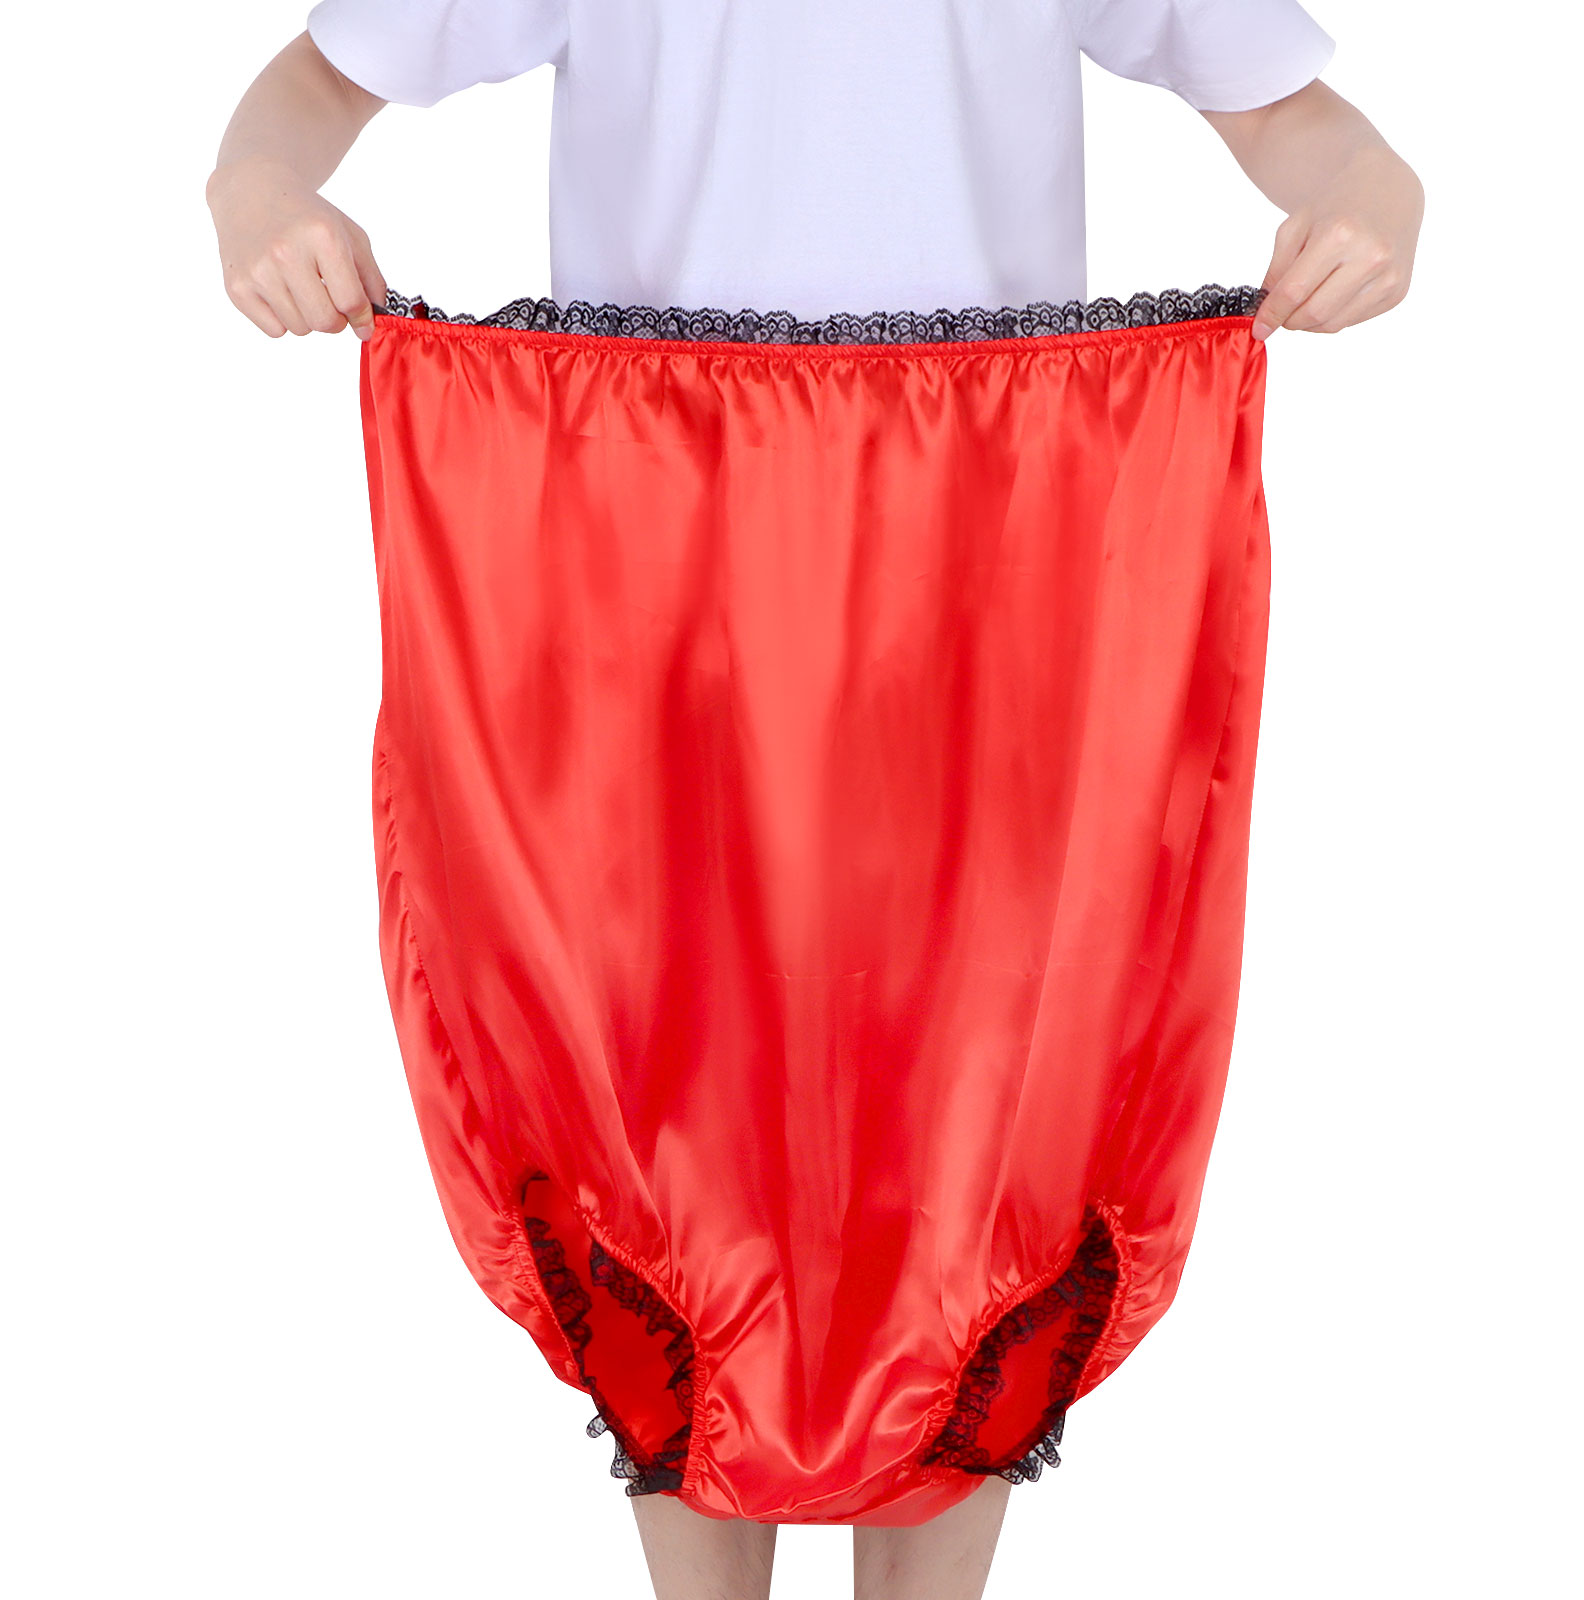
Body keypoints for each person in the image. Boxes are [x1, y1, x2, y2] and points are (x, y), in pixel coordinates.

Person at [205, 7, 1422, 1599]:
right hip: (663, 568)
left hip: (984, 569)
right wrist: (258, 190)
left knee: (973, 1111)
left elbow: (1284, 110)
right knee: (673, 1109)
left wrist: (1373, 191)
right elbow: (316, 84)